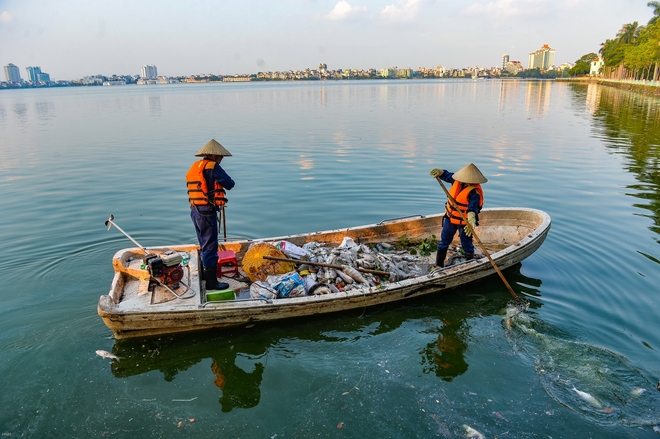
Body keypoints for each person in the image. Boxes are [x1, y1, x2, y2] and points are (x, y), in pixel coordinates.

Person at [186, 139, 235, 290]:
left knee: (203, 243)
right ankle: (212, 283)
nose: (221, 160)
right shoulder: (213, 166)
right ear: (214, 155)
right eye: (220, 157)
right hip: (207, 212)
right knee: (210, 246)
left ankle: (206, 275)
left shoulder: (196, 166)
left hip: (195, 210)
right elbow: (230, 183)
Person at [429, 163, 487, 268]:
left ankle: (469, 264)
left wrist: (471, 218)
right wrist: (440, 172)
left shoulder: (474, 192)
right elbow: (447, 175)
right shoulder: (457, 181)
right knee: (444, 241)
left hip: (465, 222)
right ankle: (438, 265)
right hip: (450, 218)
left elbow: (472, 207)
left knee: (467, 244)